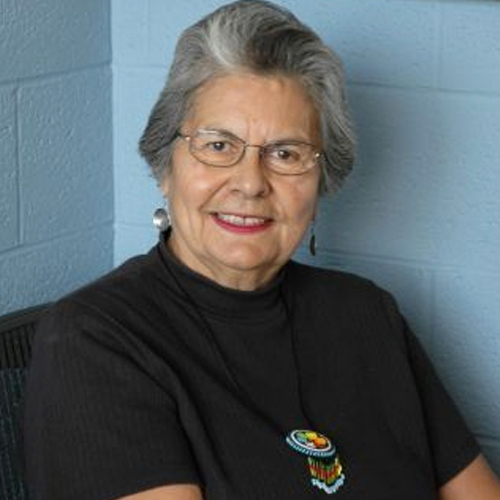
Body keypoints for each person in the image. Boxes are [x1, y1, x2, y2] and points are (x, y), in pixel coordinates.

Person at [23, 1, 500, 499]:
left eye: (286, 154)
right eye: (218, 145)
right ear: (166, 167)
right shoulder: (95, 340)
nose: (250, 183)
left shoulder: (366, 314)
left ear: (320, 186)